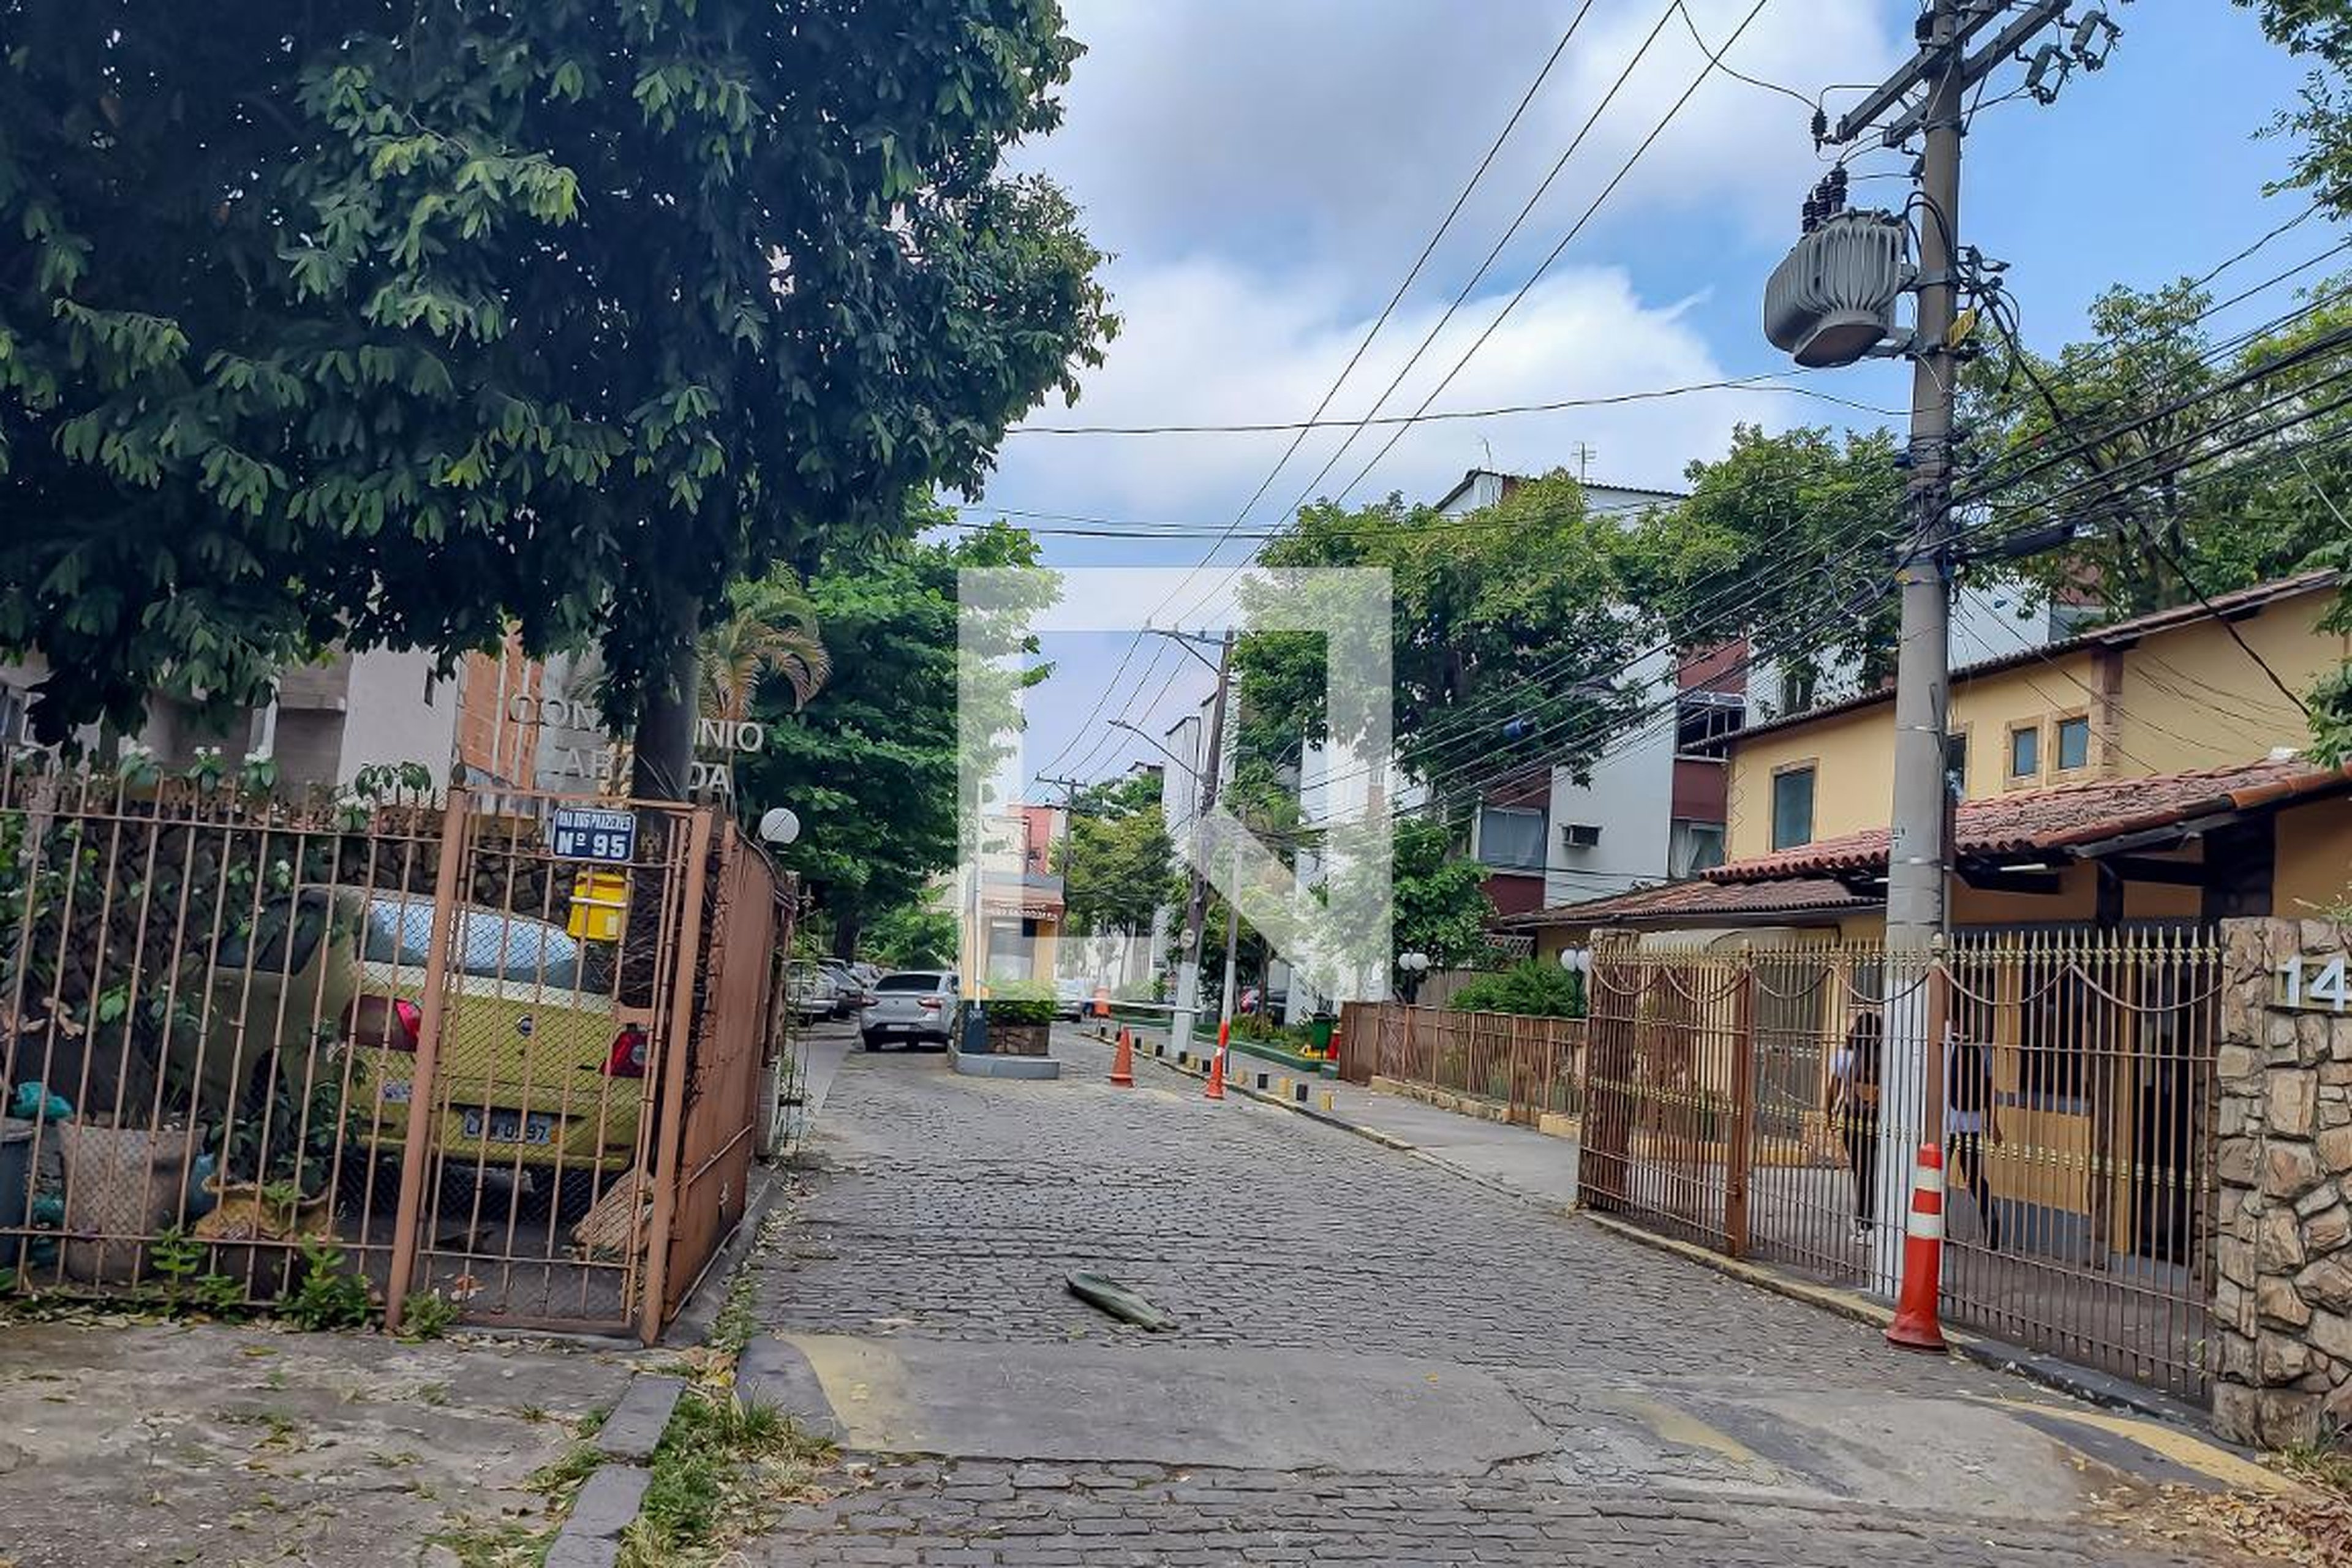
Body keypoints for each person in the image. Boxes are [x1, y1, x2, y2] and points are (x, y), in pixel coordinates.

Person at [1825, 1008, 1883, 1243]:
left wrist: (1828, 1113)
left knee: (1861, 1171)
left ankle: (1864, 1220)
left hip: (1853, 1118)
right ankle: (1874, 1219)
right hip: (1878, 1118)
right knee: (1875, 1170)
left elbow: (1834, 1088)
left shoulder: (1844, 1057)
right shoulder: (1886, 1057)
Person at [1945, 1022, 2005, 1251]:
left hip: (1948, 1120)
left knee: (1940, 1175)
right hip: (1974, 1120)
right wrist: (1993, 1123)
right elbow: (1990, 1090)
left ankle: (1943, 1229)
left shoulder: (1946, 1045)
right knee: (1974, 1176)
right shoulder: (1983, 1050)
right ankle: (1990, 1219)